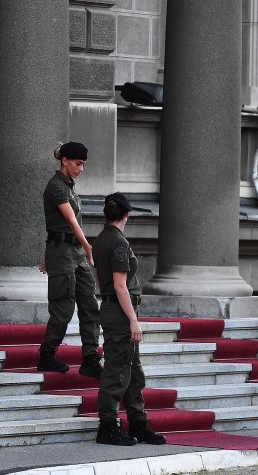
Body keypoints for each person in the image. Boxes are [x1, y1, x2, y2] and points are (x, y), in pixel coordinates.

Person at [92, 193, 167, 446]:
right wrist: (133, 320)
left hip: (115, 310)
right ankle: (107, 427)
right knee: (117, 370)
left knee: (133, 370)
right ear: (128, 214)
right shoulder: (118, 242)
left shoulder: (102, 238)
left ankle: (138, 423)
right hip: (121, 312)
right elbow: (120, 286)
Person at [37, 142, 102, 380]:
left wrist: (82, 250)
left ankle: (91, 359)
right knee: (63, 309)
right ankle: (46, 356)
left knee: (90, 306)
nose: (81, 169)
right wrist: (89, 247)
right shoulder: (56, 187)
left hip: (73, 253)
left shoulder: (69, 186)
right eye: (77, 163)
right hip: (64, 253)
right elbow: (70, 222)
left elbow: (62, 225)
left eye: (83, 164)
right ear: (64, 161)